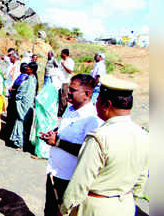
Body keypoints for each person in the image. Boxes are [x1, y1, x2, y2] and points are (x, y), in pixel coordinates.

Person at [60, 75, 148, 216]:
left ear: (106, 105)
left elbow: (79, 184)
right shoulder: (143, 135)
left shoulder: (99, 138)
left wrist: (65, 210)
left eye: (97, 101)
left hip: (96, 208)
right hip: (126, 205)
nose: (95, 105)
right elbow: (141, 179)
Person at [39, 74, 102, 216]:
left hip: (69, 178)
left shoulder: (92, 119)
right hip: (55, 171)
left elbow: (88, 152)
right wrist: (52, 134)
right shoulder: (70, 109)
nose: (68, 92)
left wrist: (58, 142)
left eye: (73, 90)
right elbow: (63, 131)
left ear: (87, 94)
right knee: (49, 210)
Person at [9, 62, 38, 151]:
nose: (26, 68)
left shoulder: (31, 80)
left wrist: (19, 98)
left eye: (28, 68)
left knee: (23, 122)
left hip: (25, 104)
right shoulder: (29, 78)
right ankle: (19, 142)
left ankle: (21, 144)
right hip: (24, 103)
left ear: (32, 70)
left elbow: (27, 94)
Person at [57, 49, 74, 117]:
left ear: (65, 54)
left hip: (65, 82)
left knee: (64, 98)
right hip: (59, 81)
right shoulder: (61, 61)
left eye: (61, 53)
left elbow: (70, 71)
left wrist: (64, 66)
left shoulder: (70, 61)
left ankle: (63, 112)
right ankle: (59, 112)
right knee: (59, 97)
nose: (60, 55)